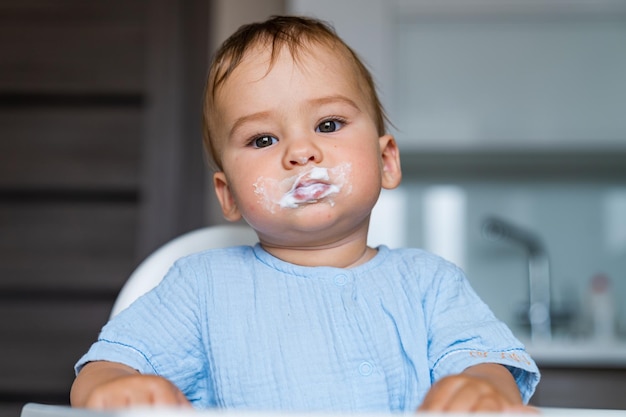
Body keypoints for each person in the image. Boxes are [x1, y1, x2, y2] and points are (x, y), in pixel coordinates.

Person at [70, 15, 540, 413]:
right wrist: (112, 388)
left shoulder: (430, 284)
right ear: (227, 193)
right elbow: (103, 370)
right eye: (263, 139)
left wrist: (485, 388)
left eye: (328, 125)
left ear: (386, 161)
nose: (301, 152)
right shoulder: (200, 288)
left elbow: (485, 366)